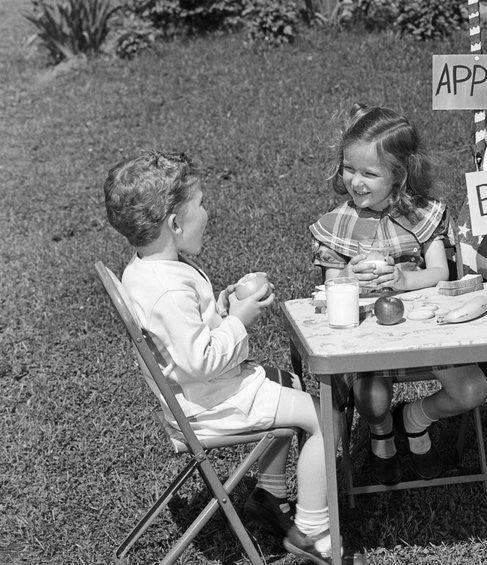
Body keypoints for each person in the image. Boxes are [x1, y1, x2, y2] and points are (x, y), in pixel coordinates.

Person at [104, 151, 363, 565]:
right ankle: (312, 532)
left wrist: (221, 310)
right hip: (211, 403)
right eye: (201, 204)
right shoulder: (167, 291)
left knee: (287, 381)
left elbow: (184, 337)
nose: (208, 212)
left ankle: (269, 495)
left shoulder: (151, 271)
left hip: (202, 393)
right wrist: (240, 320)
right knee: (325, 418)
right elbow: (200, 361)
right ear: (175, 224)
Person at [310, 104, 487, 485]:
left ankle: (414, 418)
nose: (356, 181)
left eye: (369, 173)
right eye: (349, 168)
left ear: (399, 174)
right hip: (367, 336)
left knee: (472, 389)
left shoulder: (422, 215)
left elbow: (440, 272)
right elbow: (329, 289)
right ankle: (381, 434)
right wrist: (348, 275)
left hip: (426, 328)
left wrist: (405, 281)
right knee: (373, 400)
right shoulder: (337, 225)